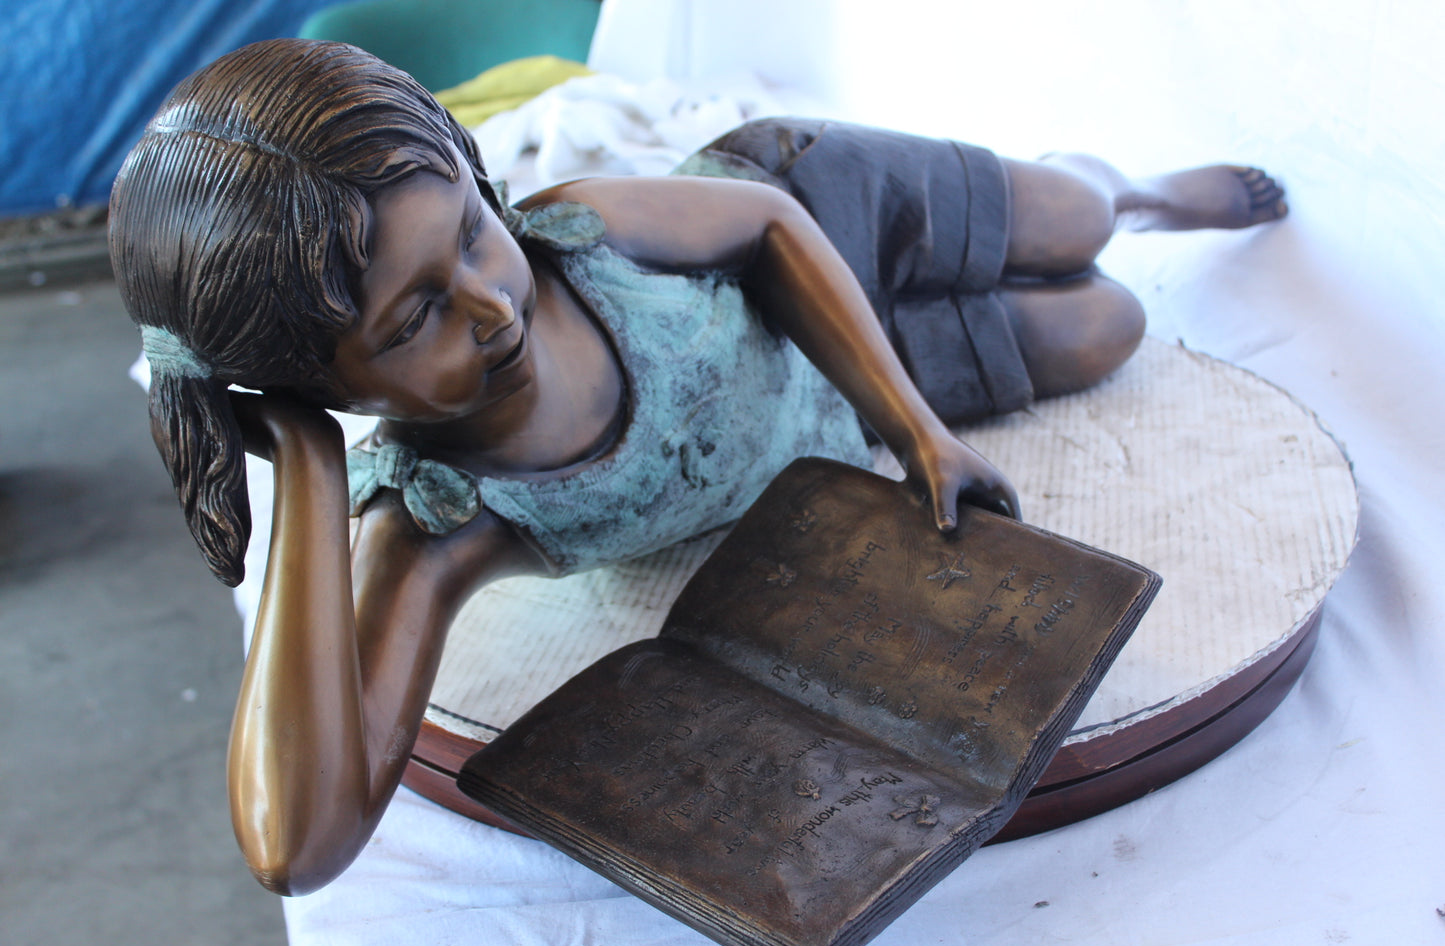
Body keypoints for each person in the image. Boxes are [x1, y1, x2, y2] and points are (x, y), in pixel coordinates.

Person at [108, 38, 1285, 895]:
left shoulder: (575, 235)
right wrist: (309, 481)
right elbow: (294, 845)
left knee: (1071, 227)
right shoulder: (440, 521)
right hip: (818, 416)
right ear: (316, 382)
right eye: (412, 321)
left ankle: (1135, 184)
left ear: (476, 177)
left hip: (815, 239)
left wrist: (918, 429)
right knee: (1102, 329)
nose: (489, 301)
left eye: (468, 230)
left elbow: (767, 224)